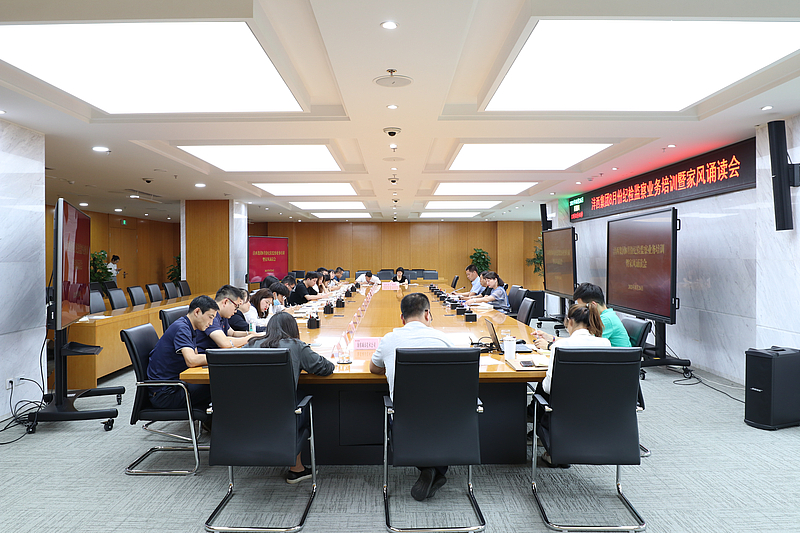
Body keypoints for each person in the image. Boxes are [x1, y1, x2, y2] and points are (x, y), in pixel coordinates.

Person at [369, 292, 455, 501]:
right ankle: (435, 469)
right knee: (436, 416)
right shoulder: (444, 339)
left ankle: (429, 469)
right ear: (427, 314)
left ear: (402, 318)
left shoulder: (389, 340)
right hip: (446, 420)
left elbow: (374, 368)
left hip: (405, 420)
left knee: (411, 417)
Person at [249, 312, 335, 483]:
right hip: (283, 417)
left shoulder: (251, 345)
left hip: (247, 417)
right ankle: (296, 468)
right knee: (301, 399)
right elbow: (326, 368)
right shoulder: (296, 346)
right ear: (293, 329)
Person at [532, 303, 611, 467]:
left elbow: (549, 388)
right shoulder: (605, 344)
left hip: (562, 415)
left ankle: (554, 451)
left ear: (569, 321)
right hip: (597, 412)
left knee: (540, 393)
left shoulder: (559, 346)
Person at [147, 295, 219, 410]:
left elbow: (195, 357)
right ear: (197, 312)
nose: (211, 323)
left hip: (176, 386)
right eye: (210, 317)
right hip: (166, 394)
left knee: (217, 383)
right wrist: (221, 358)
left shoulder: (190, 327)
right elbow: (192, 360)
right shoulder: (181, 328)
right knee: (220, 385)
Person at [534, 282, 632, 348]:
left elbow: (581, 345)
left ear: (593, 305)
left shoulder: (606, 320)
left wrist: (549, 345)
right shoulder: (605, 315)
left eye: (583, 308)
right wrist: (551, 338)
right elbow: (578, 341)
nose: (582, 311)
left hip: (618, 367)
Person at [195, 285, 264, 352]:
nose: (236, 311)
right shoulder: (211, 316)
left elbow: (232, 333)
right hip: (206, 356)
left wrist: (250, 334)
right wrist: (250, 338)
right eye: (236, 307)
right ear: (225, 302)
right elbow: (224, 343)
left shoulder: (223, 315)